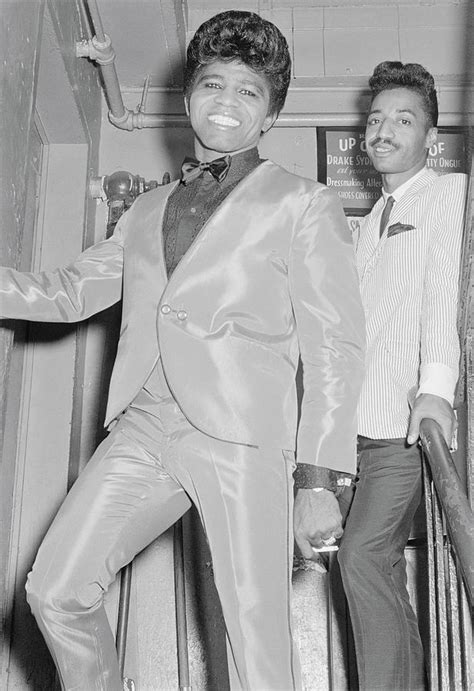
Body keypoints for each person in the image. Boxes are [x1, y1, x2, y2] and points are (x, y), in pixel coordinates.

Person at [0, 11, 365, 691]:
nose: (227, 101)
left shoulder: (303, 205)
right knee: (55, 589)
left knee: (258, 650)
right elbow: (66, 293)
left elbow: (336, 345)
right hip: (144, 424)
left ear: (269, 115)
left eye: (248, 91)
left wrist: (321, 479)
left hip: (245, 439)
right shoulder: (143, 210)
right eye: (213, 83)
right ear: (189, 95)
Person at [335, 61, 467, 690]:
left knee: (364, 554)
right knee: (367, 563)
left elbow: (445, 290)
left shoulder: (447, 193)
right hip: (354, 433)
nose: (384, 129)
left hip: (405, 428)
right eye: (377, 118)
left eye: (404, 119)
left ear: (430, 139)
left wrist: (438, 390)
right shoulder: (361, 226)